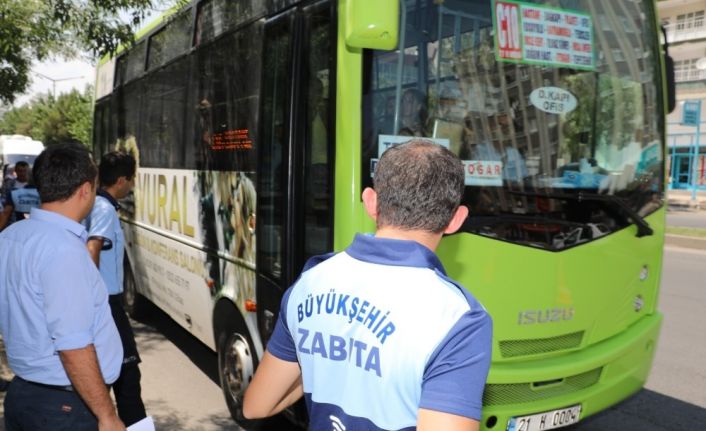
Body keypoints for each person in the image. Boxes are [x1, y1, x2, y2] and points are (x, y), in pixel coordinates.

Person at [243, 140, 493, 430]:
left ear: (370, 202)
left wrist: (323, 364)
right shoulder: (459, 319)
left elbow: (256, 405)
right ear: (455, 220)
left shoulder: (311, 282)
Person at [0, 143, 125, 431]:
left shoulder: (11, 236)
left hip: (24, 395)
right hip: (64, 409)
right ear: (85, 189)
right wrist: (107, 416)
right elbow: (73, 346)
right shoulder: (64, 250)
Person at [84, 151, 147, 427]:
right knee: (128, 378)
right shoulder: (104, 209)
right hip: (106, 303)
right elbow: (92, 249)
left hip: (106, 302)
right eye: (131, 180)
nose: (132, 185)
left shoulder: (95, 204)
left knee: (113, 374)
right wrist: (93, 300)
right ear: (121, 180)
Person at [0, 161, 40, 231]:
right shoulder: (43, 194)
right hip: (31, 226)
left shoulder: (13, 193)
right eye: (20, 171)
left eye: (25, 171)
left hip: (18, 227)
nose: (22, 174)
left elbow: (6, 212)